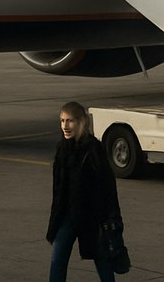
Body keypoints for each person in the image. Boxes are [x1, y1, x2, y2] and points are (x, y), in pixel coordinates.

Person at [47, 101, 123, 282]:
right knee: (57, 259)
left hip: (92, 217)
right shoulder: (62, 148)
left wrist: (111, 218)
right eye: (62, 121)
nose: (65, 126)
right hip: (68, 215)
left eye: (70, 121)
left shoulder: (93, 148)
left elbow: (108, 187)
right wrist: (55, 218)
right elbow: (58, 188)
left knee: (102, 261)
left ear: (81, 122)